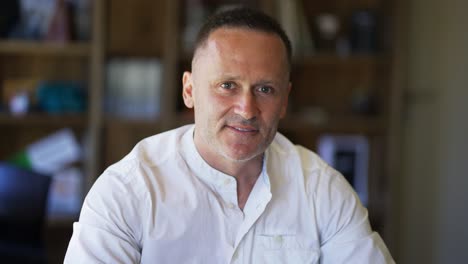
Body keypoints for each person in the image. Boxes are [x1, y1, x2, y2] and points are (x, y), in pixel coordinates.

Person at [64, 7, 394, 263]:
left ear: (284, 101)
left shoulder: (322, 190)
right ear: (189, 90)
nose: (247, 109)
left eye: (265, 89)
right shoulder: (127, 190)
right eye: (227, 86)